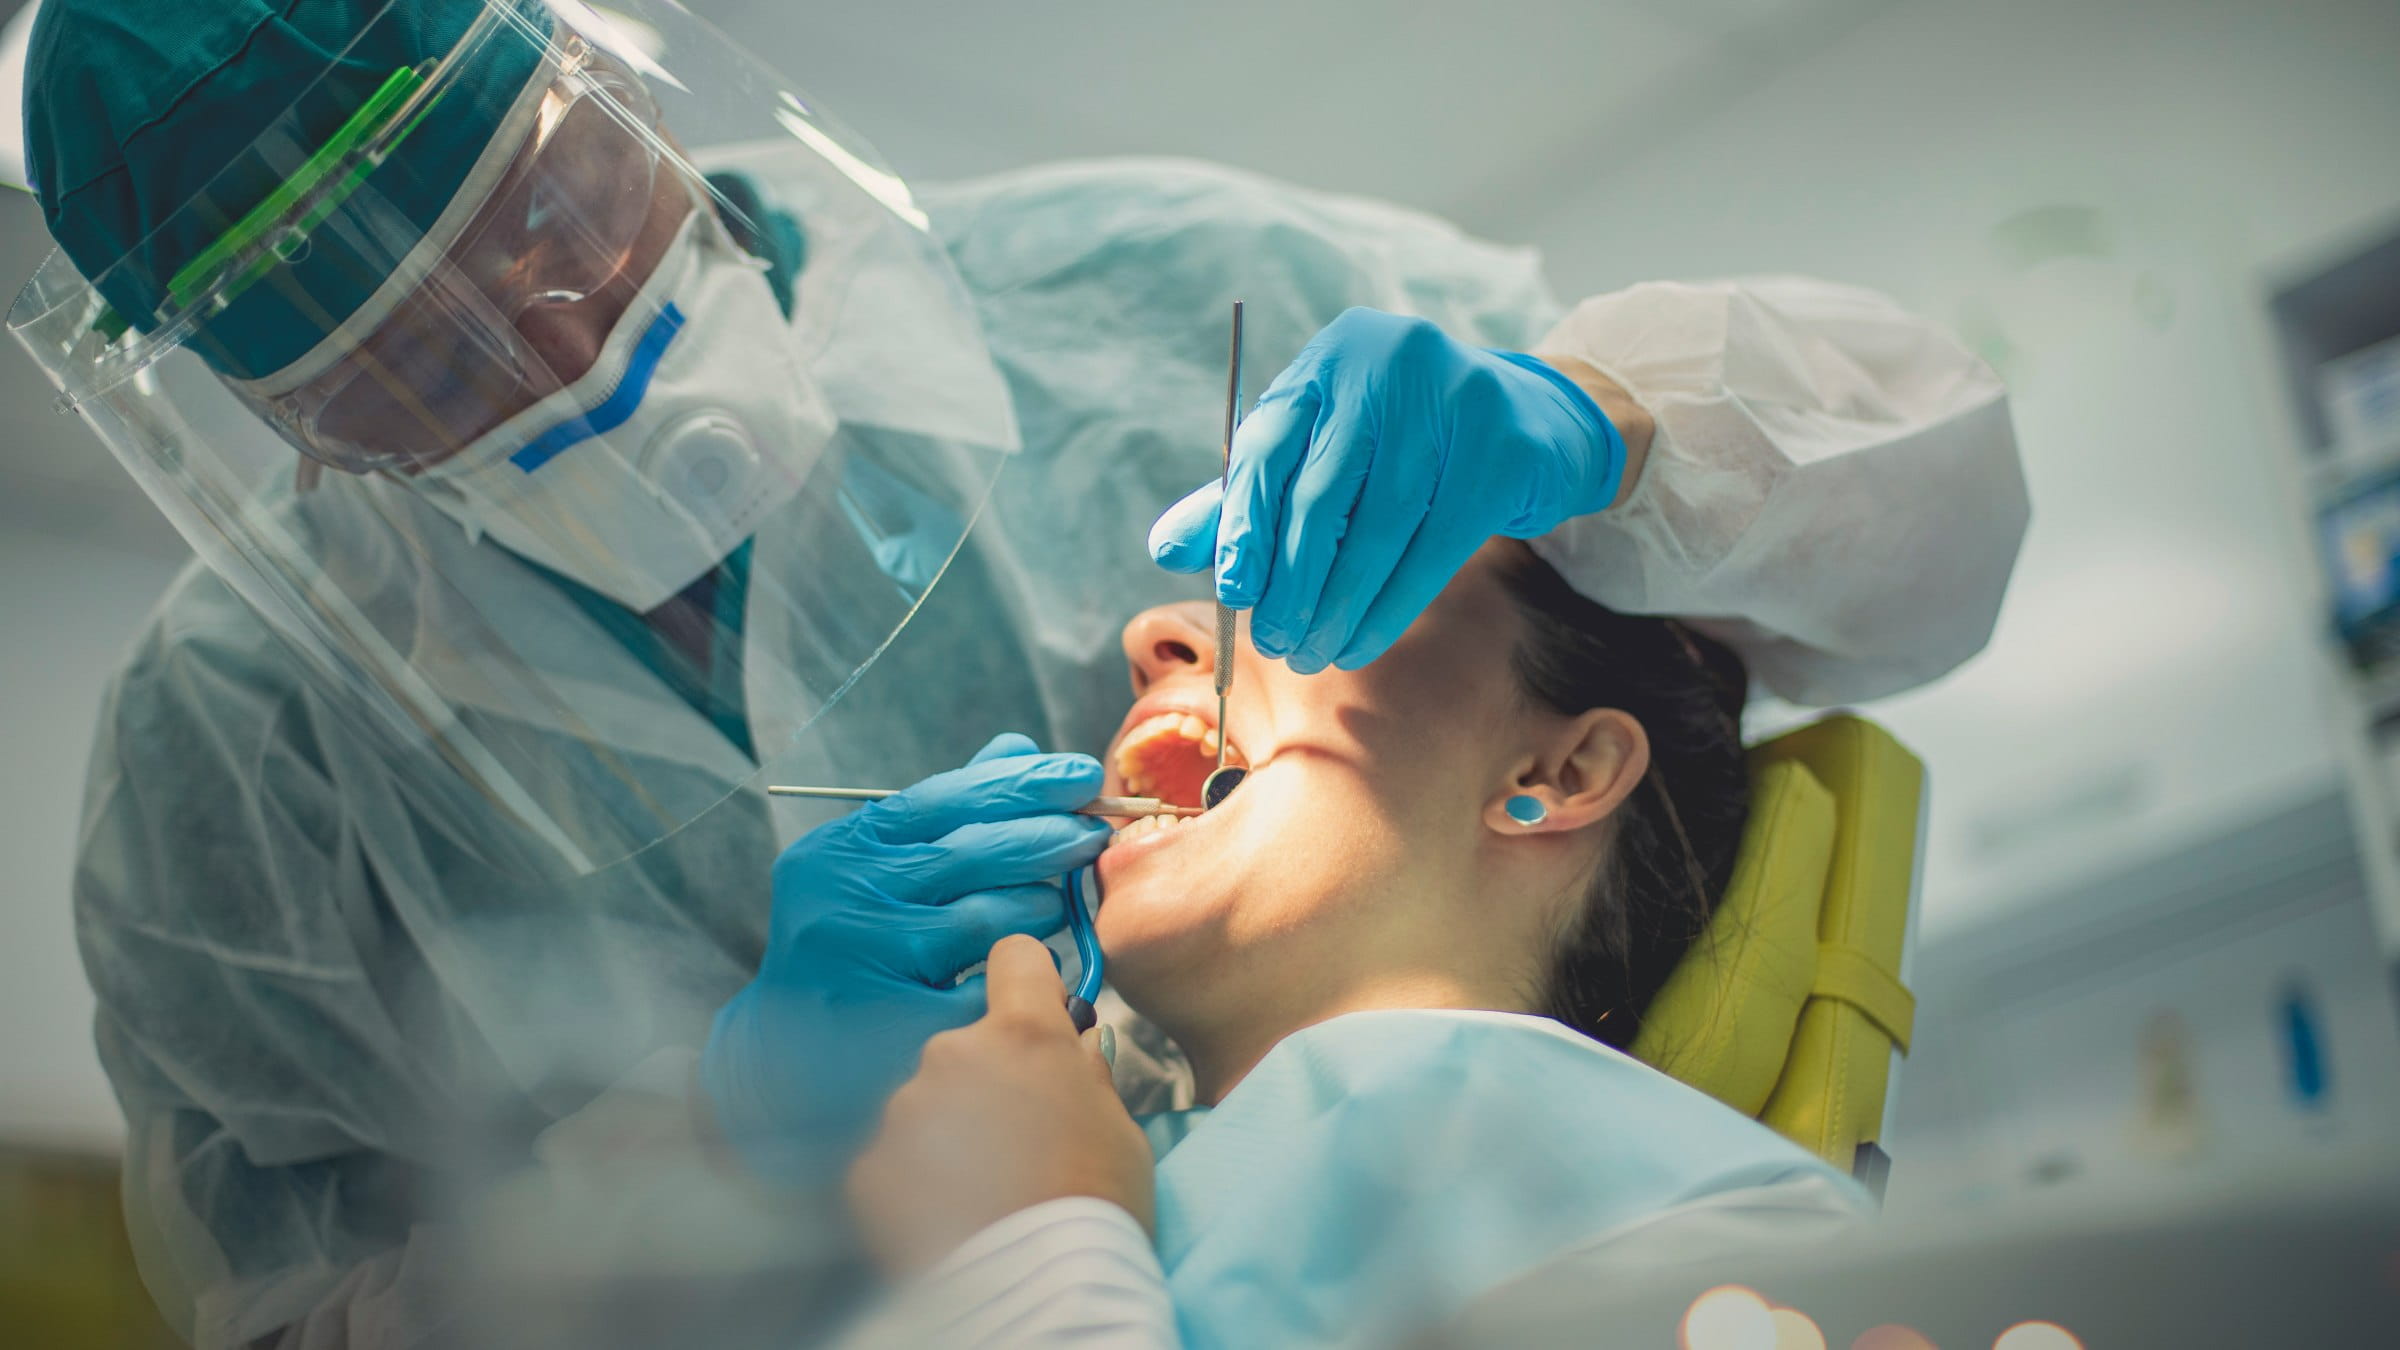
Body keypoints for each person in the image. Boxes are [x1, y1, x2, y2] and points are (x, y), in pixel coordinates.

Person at [7, 0, 2026, 1344]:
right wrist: (716, 1134)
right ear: (271, 410)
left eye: (541, 210)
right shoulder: (252, 755)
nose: (535, 338)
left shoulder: (1130, 295)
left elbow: (1919, 506)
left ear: (613, 89)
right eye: (404, 353)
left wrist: (1598, 425)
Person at [842, 542, 1862, 1348]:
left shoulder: (1717, 1228)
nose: (1154, 632)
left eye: (1332, 580)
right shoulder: (1075, 1170)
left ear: (1560, 769)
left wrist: (1028, 1265)